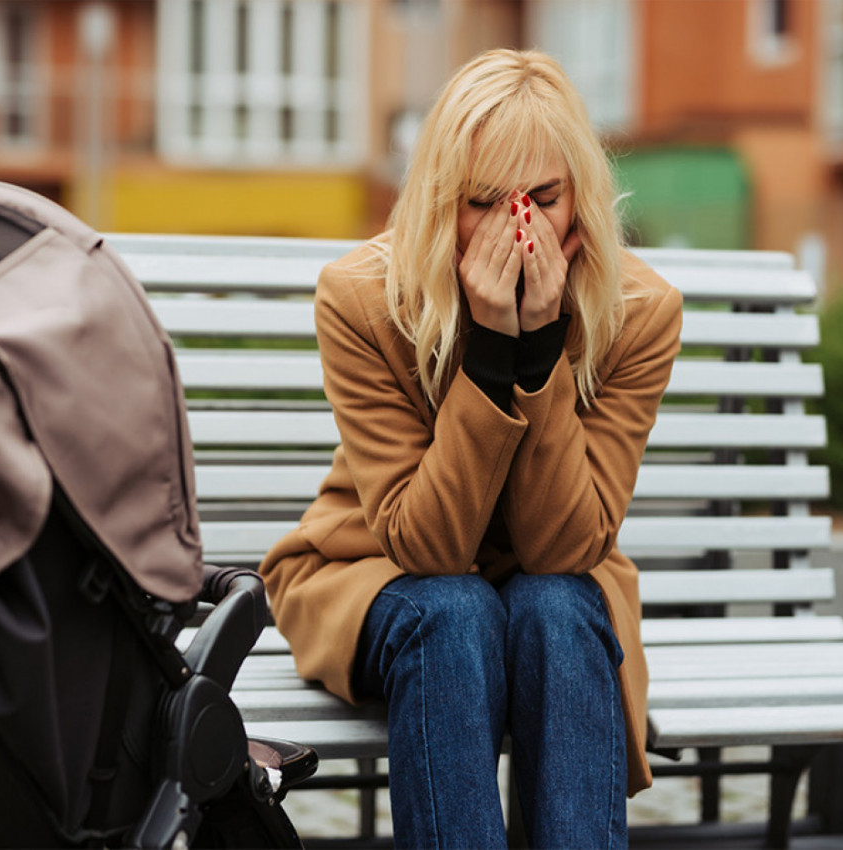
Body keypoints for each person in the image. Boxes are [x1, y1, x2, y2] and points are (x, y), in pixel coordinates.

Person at [258, 48, 682, 850]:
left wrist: (541, 352)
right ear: (439, 198)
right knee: (453, 612)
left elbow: (565, 550)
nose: (514, 230)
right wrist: (487, 353)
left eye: (542, 199)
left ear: (580, 199)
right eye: (482, 202)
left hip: (554, 582)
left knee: (555, 608)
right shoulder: (361, 299)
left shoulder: (639, 311)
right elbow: (428, 548)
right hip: (375, 573)